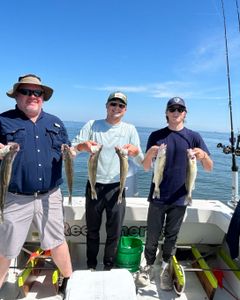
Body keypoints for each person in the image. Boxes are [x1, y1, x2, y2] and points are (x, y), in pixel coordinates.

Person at [0, 74, 73, 296]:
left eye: (37, 92)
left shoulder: (56, 122)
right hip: (15, 197)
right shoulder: (3, 121)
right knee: (5, 249)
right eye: (27, 91)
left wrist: (79, 149)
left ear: (43, 97)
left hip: (50, 195)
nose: (33, 96)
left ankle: (69, 283)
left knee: (58, 241)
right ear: (17, 96)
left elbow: (67, 150)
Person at [136, 97, 213, 290]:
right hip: (158, 195)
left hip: (180, 197)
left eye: (180, 109)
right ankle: (147, 267)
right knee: (152, 236)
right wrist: (150, 154)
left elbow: (209, 168)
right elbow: (146, 167)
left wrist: (203, 156)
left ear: (185, 113)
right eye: (172, 108)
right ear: (166, 113)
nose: (176, 111)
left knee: (172, 237)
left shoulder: (194, 137)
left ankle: (164, 269)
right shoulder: (156, 135)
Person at [72, 91, 144, 270]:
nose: (116, 108)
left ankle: (108, 266)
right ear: (107, 106)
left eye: (120, 105)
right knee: (92, 230)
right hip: (94, 185)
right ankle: (90, 265)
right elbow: (74, 148)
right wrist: (84, 146)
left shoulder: (130, 129)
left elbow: (140, 160)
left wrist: (135, 152)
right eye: (113, 104)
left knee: (114, 232)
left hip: (117, 187)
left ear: (125, 110)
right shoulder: (92, 125)